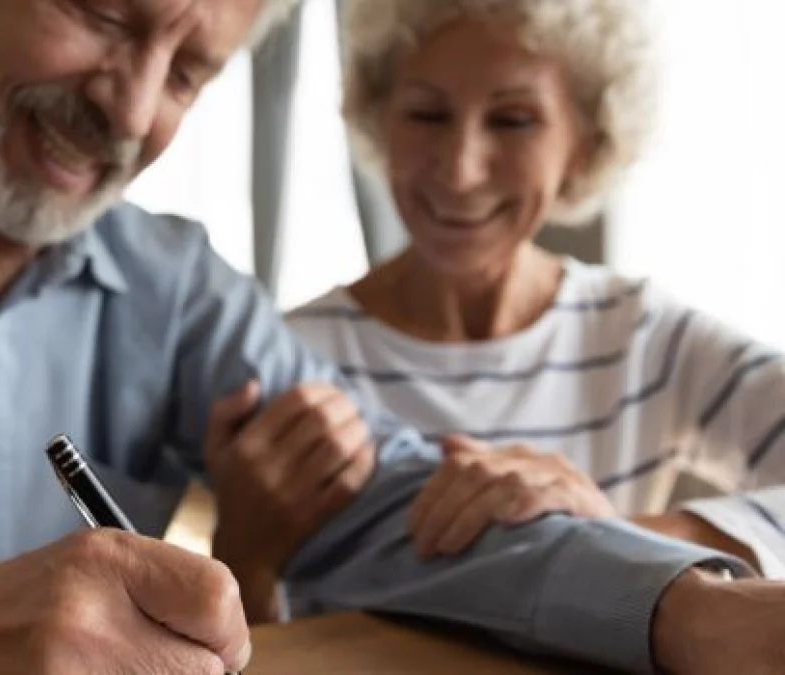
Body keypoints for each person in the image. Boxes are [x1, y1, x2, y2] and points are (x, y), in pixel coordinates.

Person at [0, 0, 783, 673]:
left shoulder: (178, 287)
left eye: (189, 73)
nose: (128, 107)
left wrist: (690, 610)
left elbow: (394, 506)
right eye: (104, 12)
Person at [287, 0, 785, 577]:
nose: (460, 171)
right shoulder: (291, 357)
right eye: (427, 115)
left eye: (513, 120)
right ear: (380, 118)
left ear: (584, 143)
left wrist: (611, 540)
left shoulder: (642, 336)